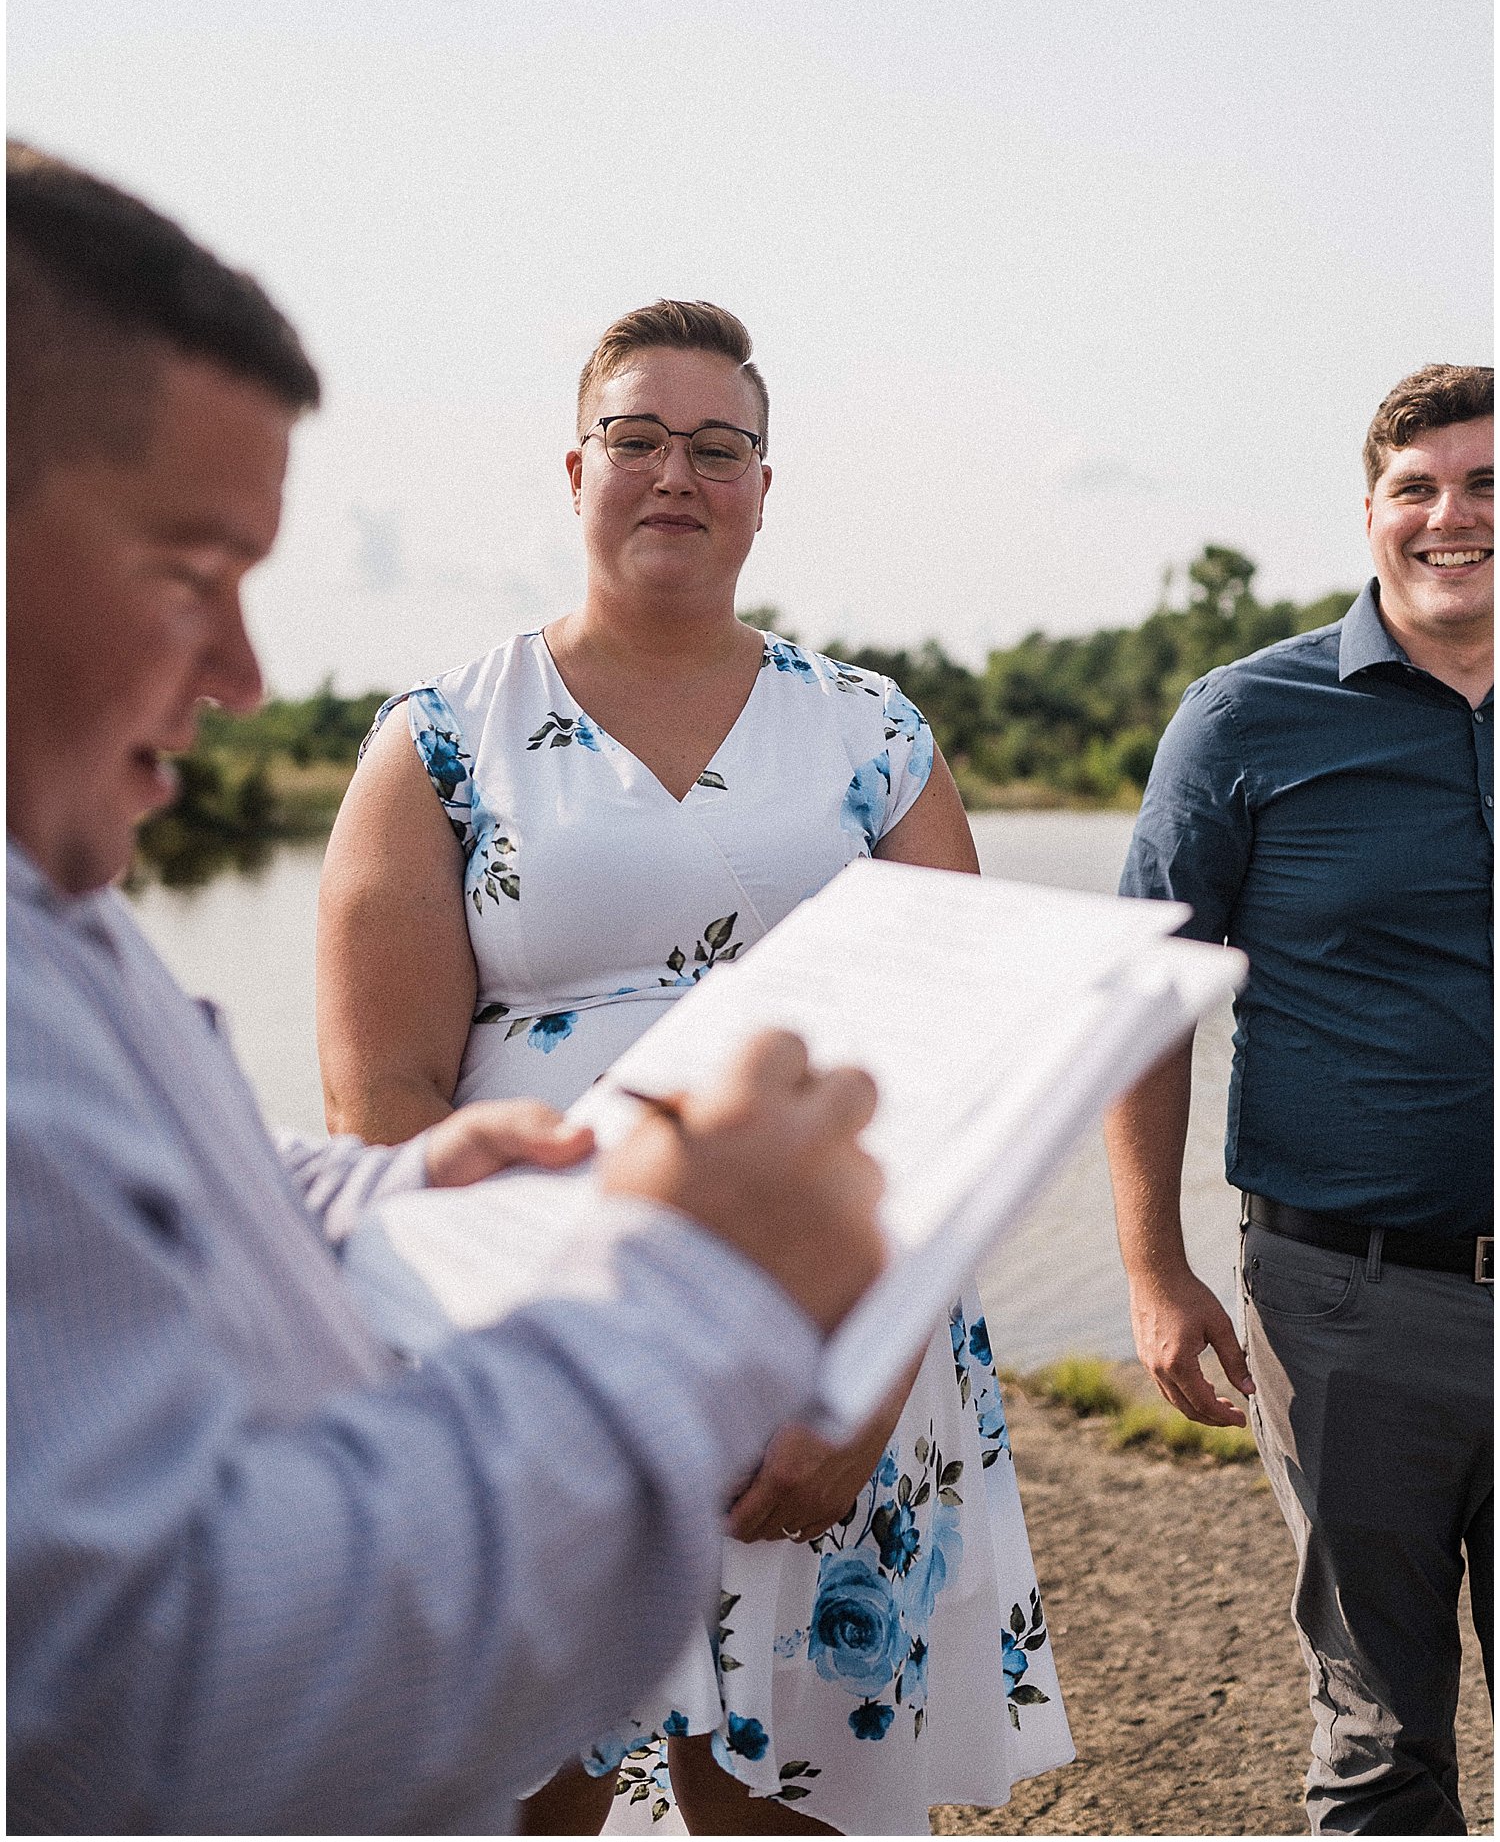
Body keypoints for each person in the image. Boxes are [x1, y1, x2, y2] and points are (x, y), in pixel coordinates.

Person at [7, 143, 890, 1837]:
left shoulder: (60, 902)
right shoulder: (437, 732)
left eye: (720, 448)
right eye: (191, 574)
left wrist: (381, 1188)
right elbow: (148, 1704)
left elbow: (137, 1173)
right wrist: (701, 1304)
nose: (247, 675)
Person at [317, 299, 1074, 1836]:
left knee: (780, 1792)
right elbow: (383, 1104)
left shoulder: (872, 734)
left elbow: (963, 1075)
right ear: (576, 467)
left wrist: (860, 1388)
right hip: (538, 1345)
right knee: (528, 1790)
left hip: (835, 1331)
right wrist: (511, 1369)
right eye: (639, 438)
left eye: (718, 446)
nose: (678, 473)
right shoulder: (443, 738)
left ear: (763, 483)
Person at [1105, 363, 1493, 1834]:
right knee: (1383, 1741)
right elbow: (1146, 1001)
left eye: (1486, 483)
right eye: (1419, 487)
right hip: (1346, 1305)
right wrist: (1150, 1268)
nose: (1452, 516)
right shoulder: (1246, 719)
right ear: (1375, 512)